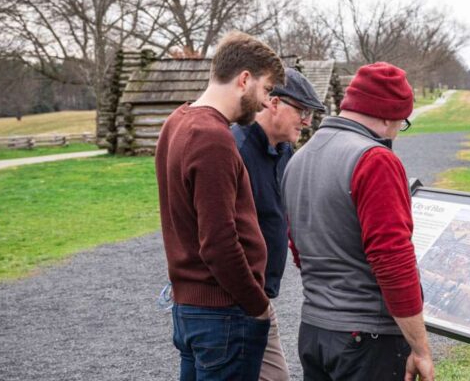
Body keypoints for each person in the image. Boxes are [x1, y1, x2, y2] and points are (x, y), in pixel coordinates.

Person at [282, 62, 434, 381]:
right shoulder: (375, 160)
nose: (397, 132)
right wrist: (420, 347)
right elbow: (392, 259)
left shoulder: (300, 157)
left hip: (314, 329)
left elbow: (298, 247)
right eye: (401, 122)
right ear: (386, 114)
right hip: (366, 338)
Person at [155, 31, 285, 381]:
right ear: (244, 79)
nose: (265, 103)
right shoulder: (212, 137)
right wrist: (257, 305)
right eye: (267, 88)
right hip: (223, 314)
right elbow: (218, 242)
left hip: (192, 310)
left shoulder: (177, 122)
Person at [231, 68, 326, 381]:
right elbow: (219, 235)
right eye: (301, 111)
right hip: (232, 302)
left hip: (257, 298)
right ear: (273, 103)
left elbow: (286, 218)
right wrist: (249, 296)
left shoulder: (285, 151)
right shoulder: (235, 152)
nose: (307, 121)